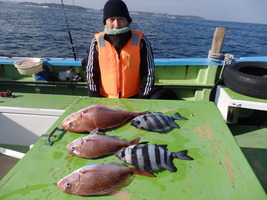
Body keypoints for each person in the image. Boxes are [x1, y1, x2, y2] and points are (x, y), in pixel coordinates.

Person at [83, 0, 155, 98]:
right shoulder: (96, 42)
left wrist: (143, 99)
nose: (116, 24)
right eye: (111, 20)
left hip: (135, 97)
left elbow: (148, 72)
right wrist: (95, 99)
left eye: (121, 19)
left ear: (127, 20)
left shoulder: (141, 40)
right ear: (106, 22)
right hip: (105, 98)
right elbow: (91, 73)